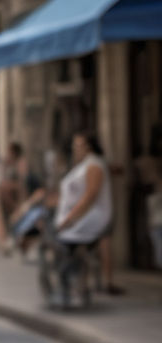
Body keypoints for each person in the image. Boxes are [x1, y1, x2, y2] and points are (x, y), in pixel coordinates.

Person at [52, 131, 113, 306]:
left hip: (91, 217)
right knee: (71, 249)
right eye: (74, 145)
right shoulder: (83, 164)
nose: (75, 149)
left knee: (67, 246)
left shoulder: (94, 165)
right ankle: (78, 287)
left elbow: (90, 196)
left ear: (89, 146)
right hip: (80, 216)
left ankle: (70, 287)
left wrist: (70, 218)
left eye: (79, 145)